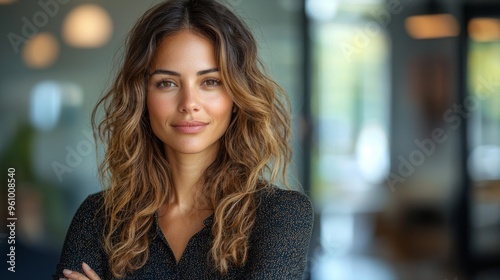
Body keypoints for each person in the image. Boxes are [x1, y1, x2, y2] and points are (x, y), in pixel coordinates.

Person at [54, 0, 313, 279]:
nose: (189, 103)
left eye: (210, 82)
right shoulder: (98, 218)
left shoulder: (280, 215)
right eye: (167, 83)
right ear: (142, 97)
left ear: (236, 96)